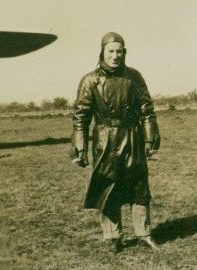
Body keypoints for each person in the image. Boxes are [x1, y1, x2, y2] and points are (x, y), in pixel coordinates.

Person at [70, 32, 160, 253]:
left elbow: (147, 111)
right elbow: (80, 117)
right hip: (105, 140)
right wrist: (79, 149)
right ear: (102, 52)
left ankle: (144, 234)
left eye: (119, 51)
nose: (115, 55)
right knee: (108, 187)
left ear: (124, 52)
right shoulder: (90, 80)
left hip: (132, 137)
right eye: (111, 51)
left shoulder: (135, 77)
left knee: (139, 187)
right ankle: (113, 236)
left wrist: (150, 139)